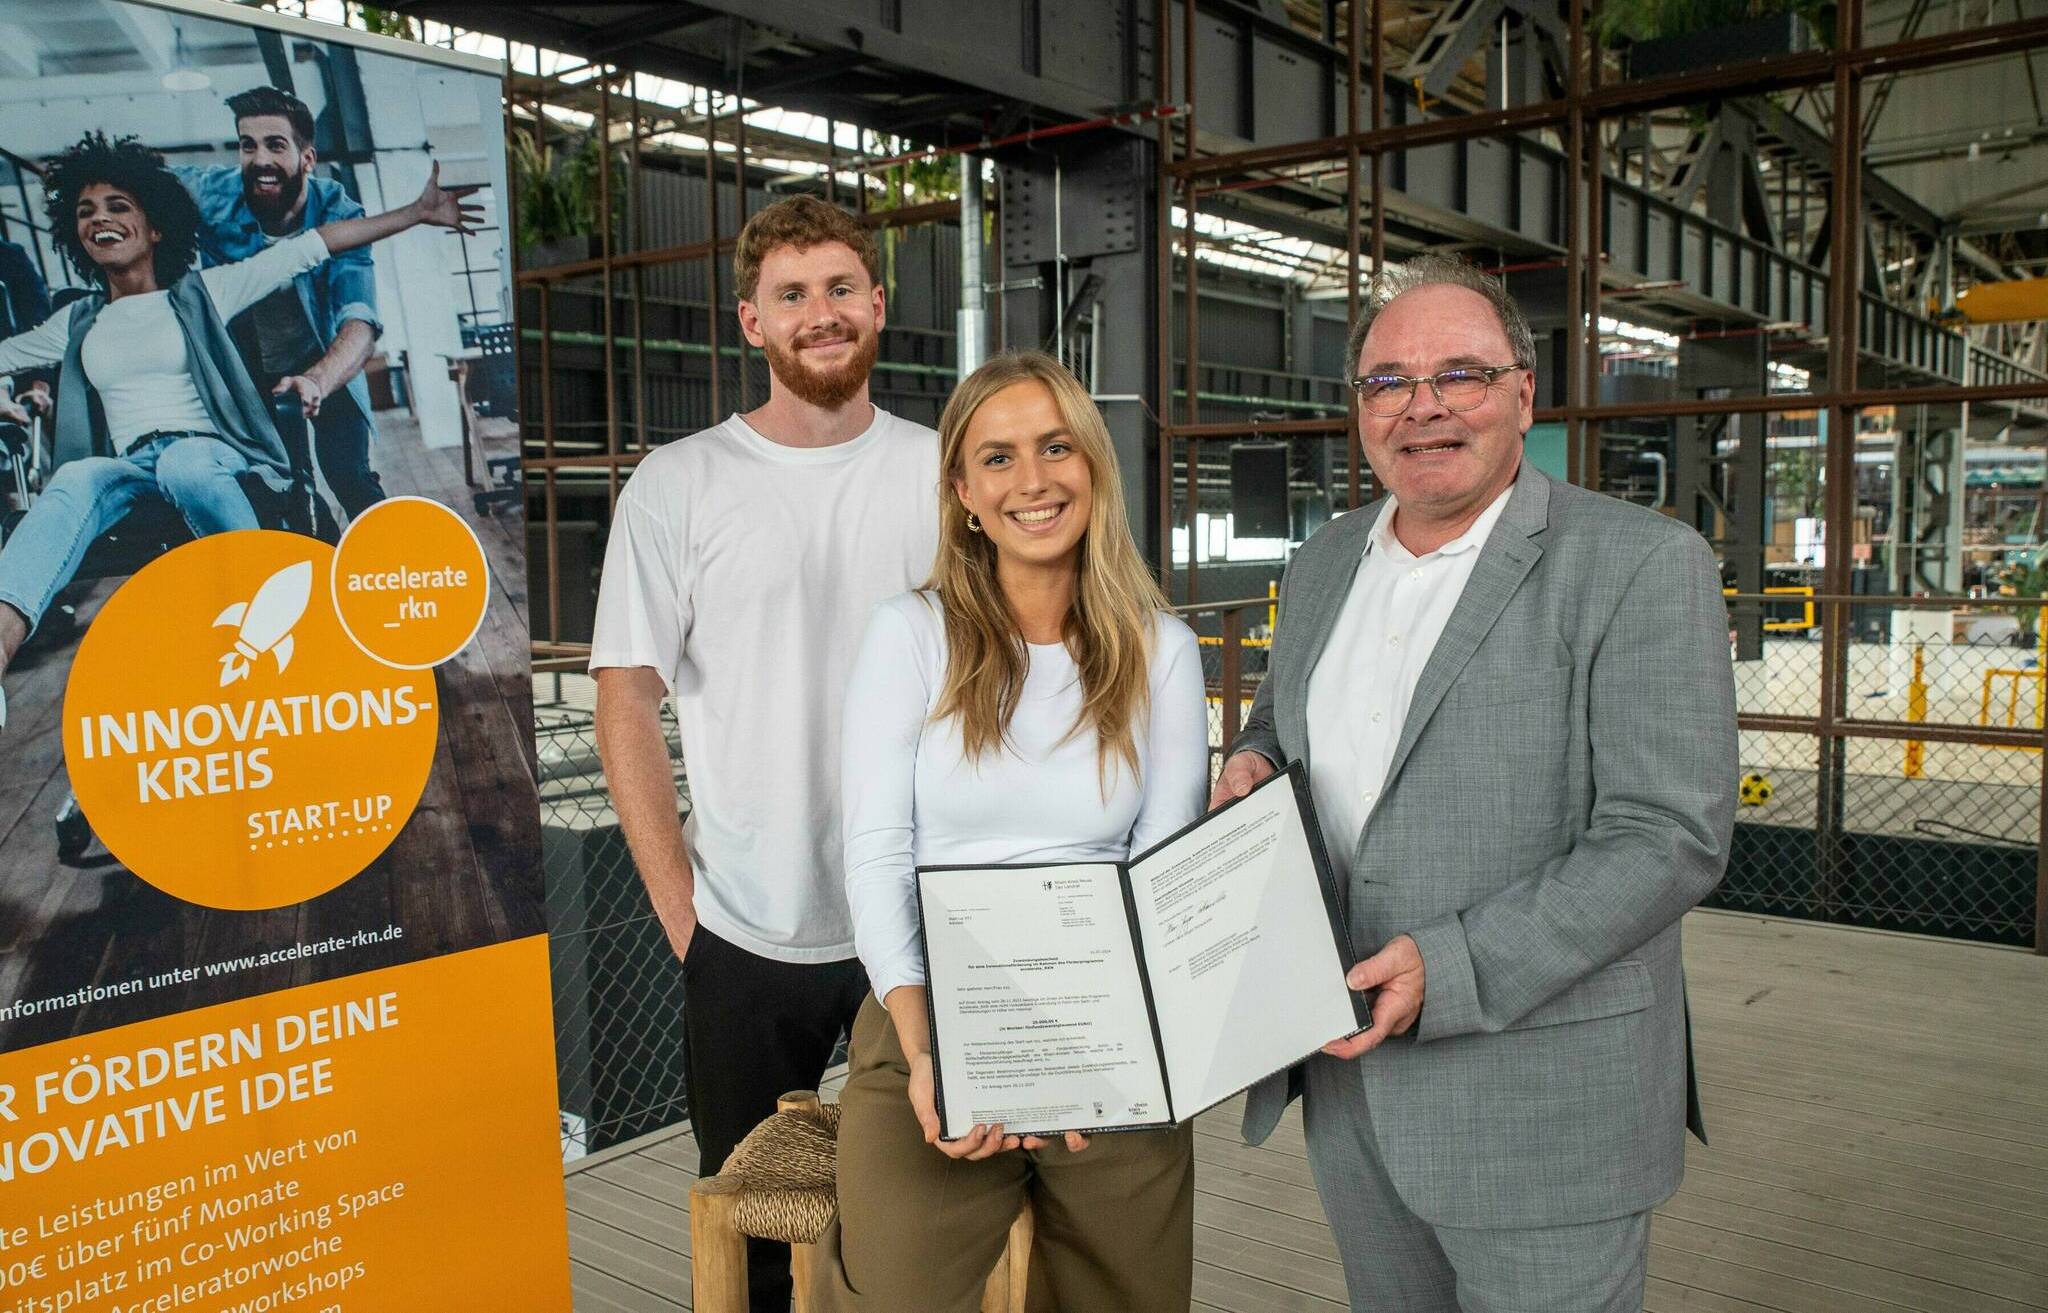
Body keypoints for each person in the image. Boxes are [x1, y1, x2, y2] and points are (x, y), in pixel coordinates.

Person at [1212, 254, 1737, 1311]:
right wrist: (1253, 757)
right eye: (1388, 381)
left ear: (1520, 392)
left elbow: (1666, 834)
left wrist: (1451, 966)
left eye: (1458, 373)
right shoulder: (1321, 561)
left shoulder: (1639, 564)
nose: (1423, 407)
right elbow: (1282, 717)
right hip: (1349, 1078)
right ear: (1358, 406)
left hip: (1539, 1093)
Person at [589, 195, 939, 1313]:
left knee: (928, 1212)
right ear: (750, 321)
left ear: (878, 304)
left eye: (841, 287)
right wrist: (684, 920)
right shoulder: (679, 483)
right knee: (748, 1246)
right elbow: (623, 701)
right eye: (791, 294)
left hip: (924, 918)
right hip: (744, 925)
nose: (820, 313)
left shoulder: (946, 472)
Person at [811, 350, 1208, 1312]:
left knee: (1132, 1295)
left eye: (1055, 447)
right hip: (930, 1010)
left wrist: (1087, 1055)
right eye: (998, 458)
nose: (1032, 480)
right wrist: (924, 1051)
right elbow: (875, 853)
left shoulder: (1163, 650)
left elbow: (1160, 871)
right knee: (888, 1291)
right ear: (962, 491)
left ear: (1093, 466)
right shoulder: (910, 634)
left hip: (1106, 1019)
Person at [0, 131, 480, 728]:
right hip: (127, 468)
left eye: (118, 206)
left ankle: (266, 631)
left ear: (154, 229)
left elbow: (311, 246)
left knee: (184, 463)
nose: (100, 218)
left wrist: (415, 213)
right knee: (71, 478)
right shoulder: (74, 321)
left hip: (208, 454)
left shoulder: (203, 293)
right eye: (85, 211)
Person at [174, 86, 390, 520]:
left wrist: (317, 381)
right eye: (247, 145)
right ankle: (315, 563)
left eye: (276, 145)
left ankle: (386, 572)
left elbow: (359, 320)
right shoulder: (213, 194)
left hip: (325, 360)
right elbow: (143, 178)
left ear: (307, 158)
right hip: (251, 367)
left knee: (350, 477)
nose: (260, 160)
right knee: (289, 487)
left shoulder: (341, 214)